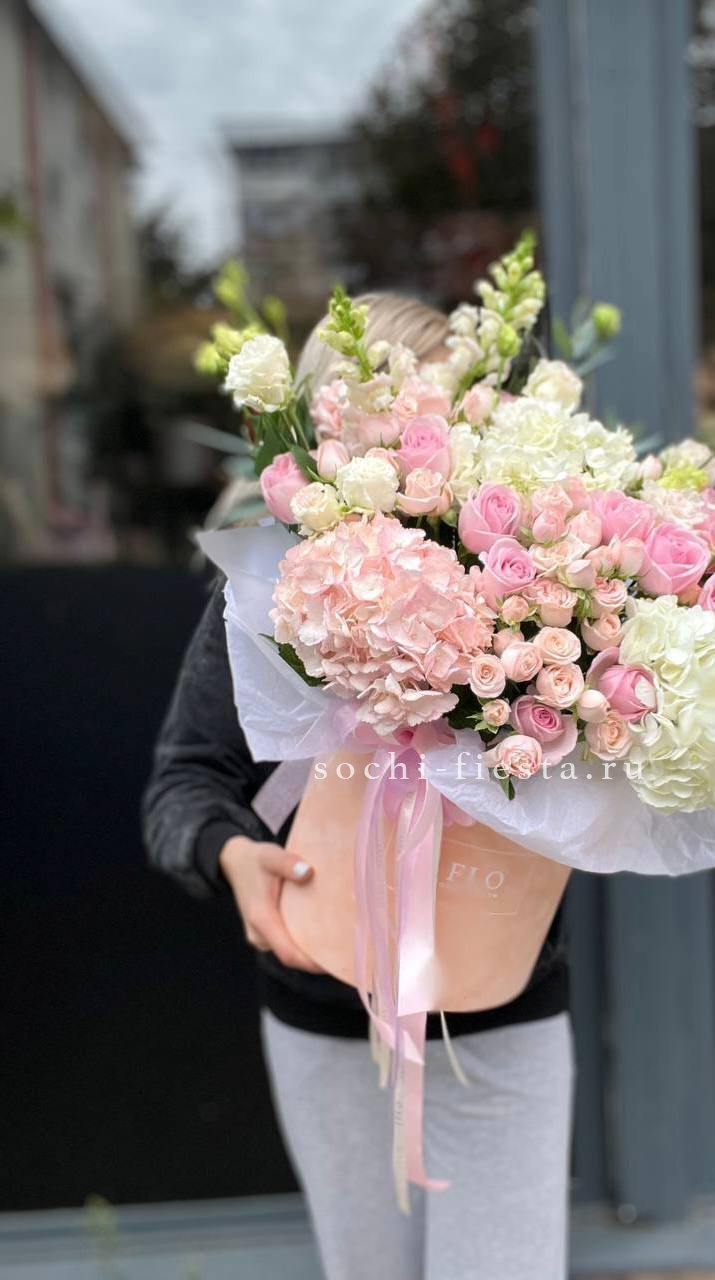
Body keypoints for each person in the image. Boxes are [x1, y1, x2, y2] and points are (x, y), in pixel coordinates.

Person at [142, 294, 574, 1280]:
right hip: (322, 1009)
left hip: (503, 1008)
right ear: (324, 428)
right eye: (397, 414)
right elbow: (184, 781)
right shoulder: (265, 592)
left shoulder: (544, 583)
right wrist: (229, 854)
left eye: (446, 410)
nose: (426, 437)